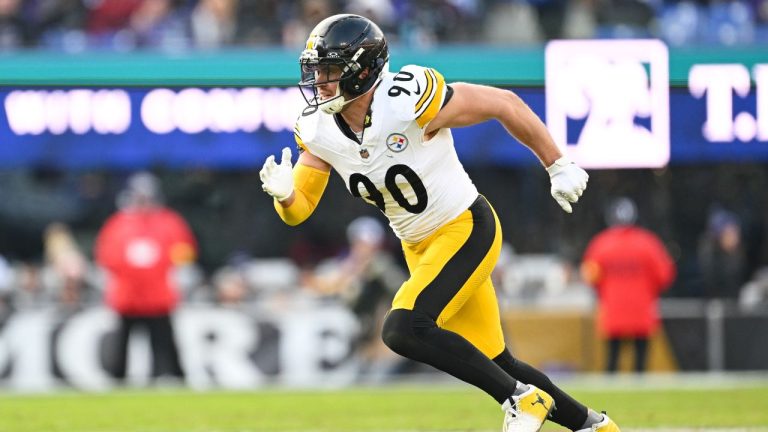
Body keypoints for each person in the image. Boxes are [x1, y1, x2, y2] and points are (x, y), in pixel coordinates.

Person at [259, 14, 617, 432]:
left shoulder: (405, 100)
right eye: (316, 70)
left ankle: (521, 400)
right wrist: (284, 195)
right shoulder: (319, 129)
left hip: (464, 227)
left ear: (363, 71)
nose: (319, 81)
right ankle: (595, 426)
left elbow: (504, 103)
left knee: (402, 327)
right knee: (499, 362)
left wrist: (556, 163)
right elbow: (300, 208)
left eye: (330, 70)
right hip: (419, 248)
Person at [94, 172, 196, 384]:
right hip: (128, 297)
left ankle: (174, 377)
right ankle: (117, 380)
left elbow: (184, 253)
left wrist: (177, 273)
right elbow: (106, 257)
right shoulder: (118, 224)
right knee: (121, 343)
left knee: (165, 342)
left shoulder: (169, 222)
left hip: (158, 296)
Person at [581, 197, 675, 373]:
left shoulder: (601, 244)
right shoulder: (648, 243)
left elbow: (590, 276)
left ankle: (610, 387)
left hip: (613, 310)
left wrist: (604, 290)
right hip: (641, 310)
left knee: (612, 359)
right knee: (640, 362)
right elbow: (665, 275)